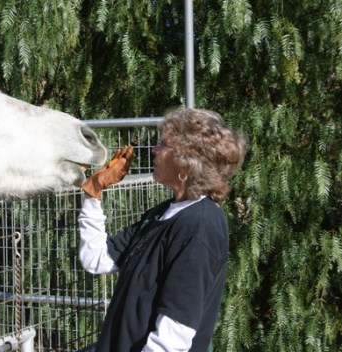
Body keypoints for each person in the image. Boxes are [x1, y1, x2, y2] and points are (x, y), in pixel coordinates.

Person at [78, 108, 247, 352]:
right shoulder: (163, 213)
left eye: (163, 145)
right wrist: (93, 192)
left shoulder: (199, 227)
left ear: (187, 162)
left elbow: (172, 339)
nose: (155, 150)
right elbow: (97, 259)